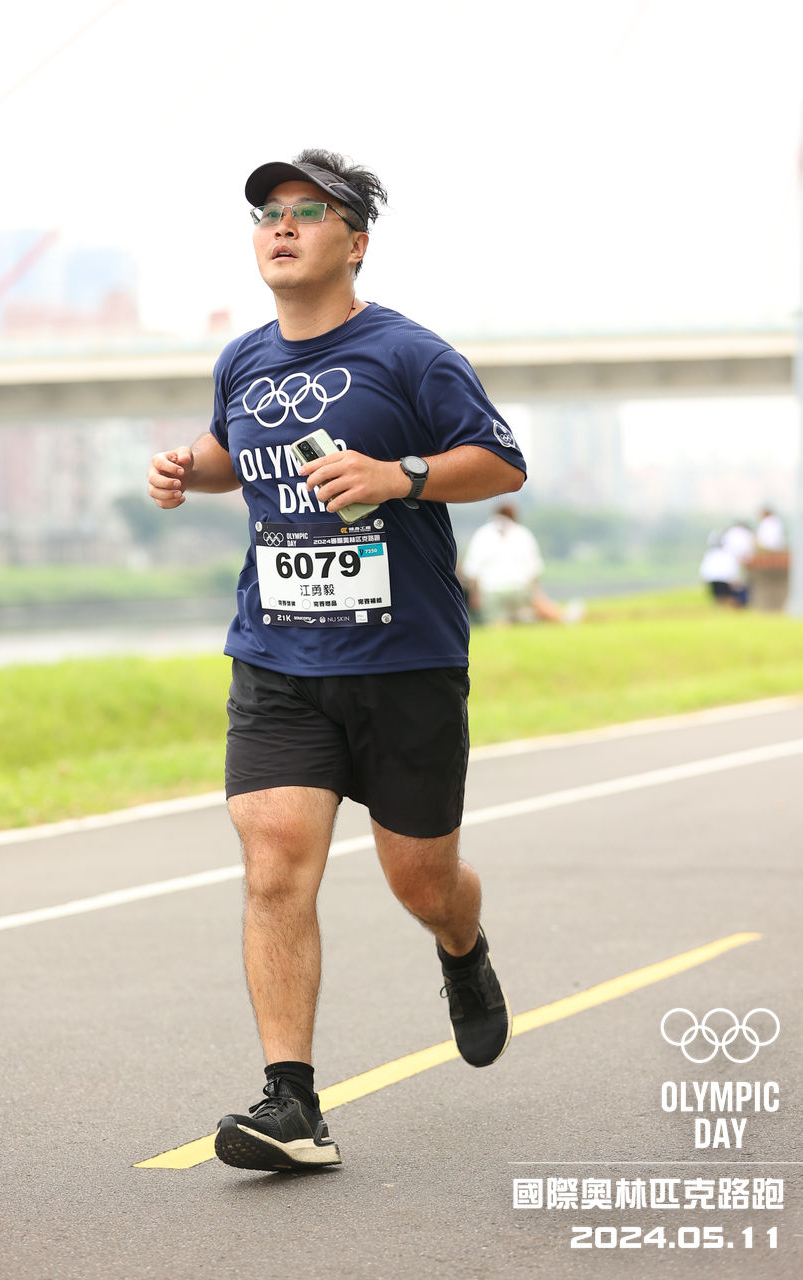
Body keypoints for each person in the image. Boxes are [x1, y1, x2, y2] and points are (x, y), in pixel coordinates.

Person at [147, 149, 528, 1173]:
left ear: (355, 241)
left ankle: (461, 948)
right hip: (278, 656)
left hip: (403, 661)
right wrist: (187, 465)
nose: (280, 225)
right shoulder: (244, 360)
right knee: (274, 860)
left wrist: (400, 474)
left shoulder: (409, 354)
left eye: (307, 210)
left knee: (422, 879)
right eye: (266, 212)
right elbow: (234, 452)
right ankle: (292, 1103)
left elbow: (499, 461)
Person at [462, 503, 581, 624]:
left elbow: (472, 571)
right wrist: (538, 596)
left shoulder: (482, 534)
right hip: (519, 589)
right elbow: (533, 572)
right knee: (532, 609)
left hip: (490, 592)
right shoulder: (522, 533)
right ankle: (561, 617)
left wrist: (475, 595)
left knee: (498, 622)